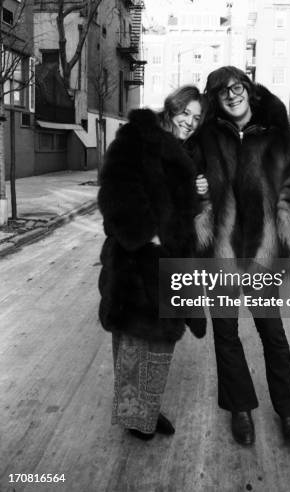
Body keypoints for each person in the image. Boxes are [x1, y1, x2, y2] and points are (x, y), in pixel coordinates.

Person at [188, 66, 290, 446]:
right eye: (222, 91)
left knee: (272, 333)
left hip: (261, 252)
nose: (232, 95)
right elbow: (178, 172)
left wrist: (285, 219)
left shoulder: (276, 133)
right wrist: (196, 192)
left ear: (248, 89)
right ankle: (240, 408)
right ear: (214, 99)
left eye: (237, 86)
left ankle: (288, 410)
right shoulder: (205, 137)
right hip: (221, 255)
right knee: (226, 334)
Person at [98, 86, 207, 440]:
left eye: (196, 118)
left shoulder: (181, 152)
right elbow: (114, 192)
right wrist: (148, 236)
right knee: (134, 344)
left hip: (170, 268)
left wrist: (197, 191)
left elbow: (179, 209)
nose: (189, 122)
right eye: (185, 113)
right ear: (172, 107)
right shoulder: (137, 138)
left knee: (160, 347)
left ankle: (147, 409)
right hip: (137, 265)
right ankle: (135, 418)